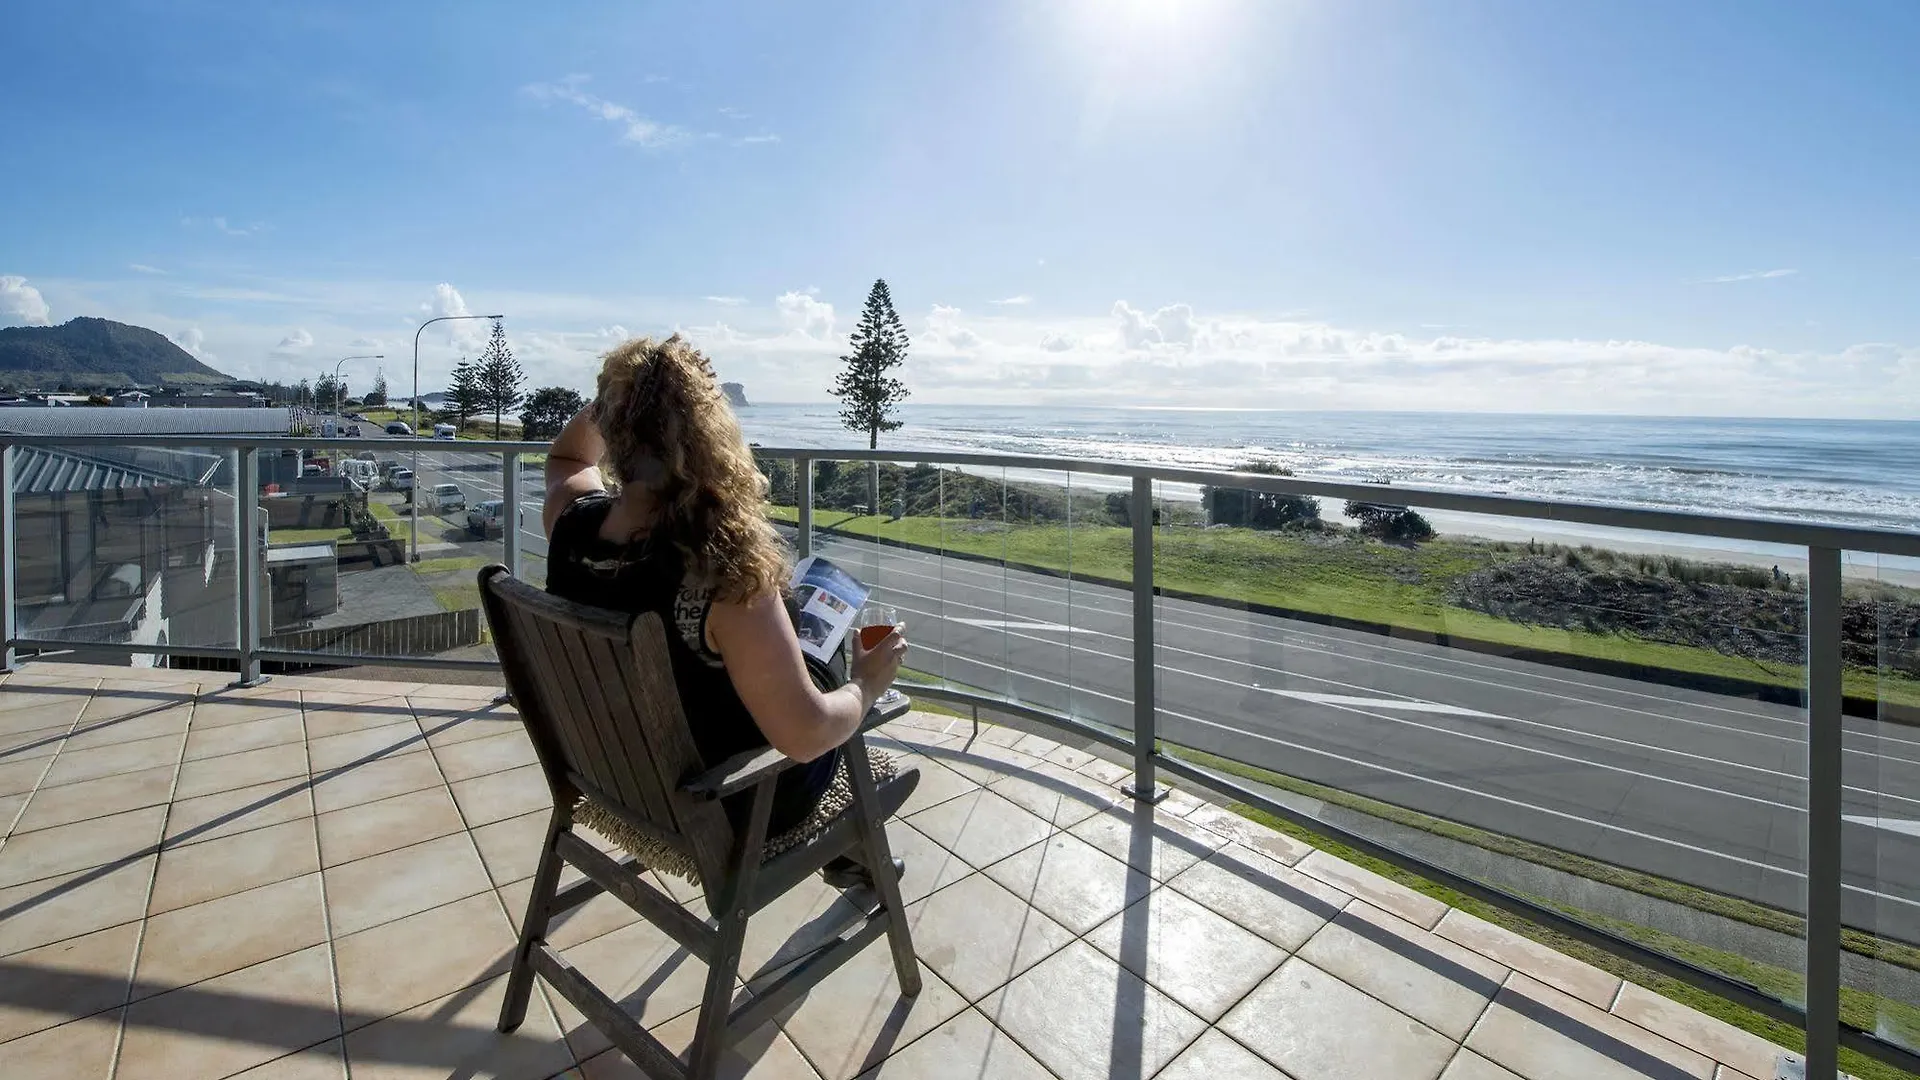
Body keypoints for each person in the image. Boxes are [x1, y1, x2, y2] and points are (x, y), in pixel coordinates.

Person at [541, 334, 909, 886]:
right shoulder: (723, 574)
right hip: (728, 801)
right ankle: (849, 850)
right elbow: (805, 735)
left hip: (617, 778)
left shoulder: (570, 524)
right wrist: (865, 686)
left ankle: (847, 855)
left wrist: (629, 393)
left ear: (615, 430)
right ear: (711, 432)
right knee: (830, 670)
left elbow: (569, 454)